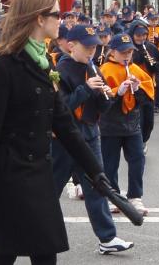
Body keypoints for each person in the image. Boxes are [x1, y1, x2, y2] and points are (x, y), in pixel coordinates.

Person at [0, 0, 111, 265]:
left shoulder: (43, 62)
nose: (62, 21)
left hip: (38, 172)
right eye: (57, 14)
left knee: (41, 252)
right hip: (8, 175)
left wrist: (95, 171)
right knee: (10, 254)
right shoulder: (3, 64)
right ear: (39, 19)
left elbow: (63, 123)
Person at [53, 24, 134, 254]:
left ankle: (107, 238)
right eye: (87, 47)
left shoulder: (93, 68)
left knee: (98, 186)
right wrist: (87, 89)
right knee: (51, 189)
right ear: (71, 46)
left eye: (95, 47)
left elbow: (103, 107)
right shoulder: (61, 69)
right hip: (65, 138)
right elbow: (62, 107)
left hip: (89, 134)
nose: (92, 52)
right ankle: (34, 233)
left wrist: (108, 95)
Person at [99, 33, 154, 217]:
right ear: (112, 52)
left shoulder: (136, 69)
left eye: (130, 51)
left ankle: (135, 196)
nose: (127, 55)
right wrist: (118, 91)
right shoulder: (104, 70)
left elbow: (147, 100)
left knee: (138, 159)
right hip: (110, 125)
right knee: (110, 163)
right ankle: (112, 196)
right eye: (123, 52)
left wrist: (138, 90)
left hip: (132, 124)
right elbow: (101, 100)